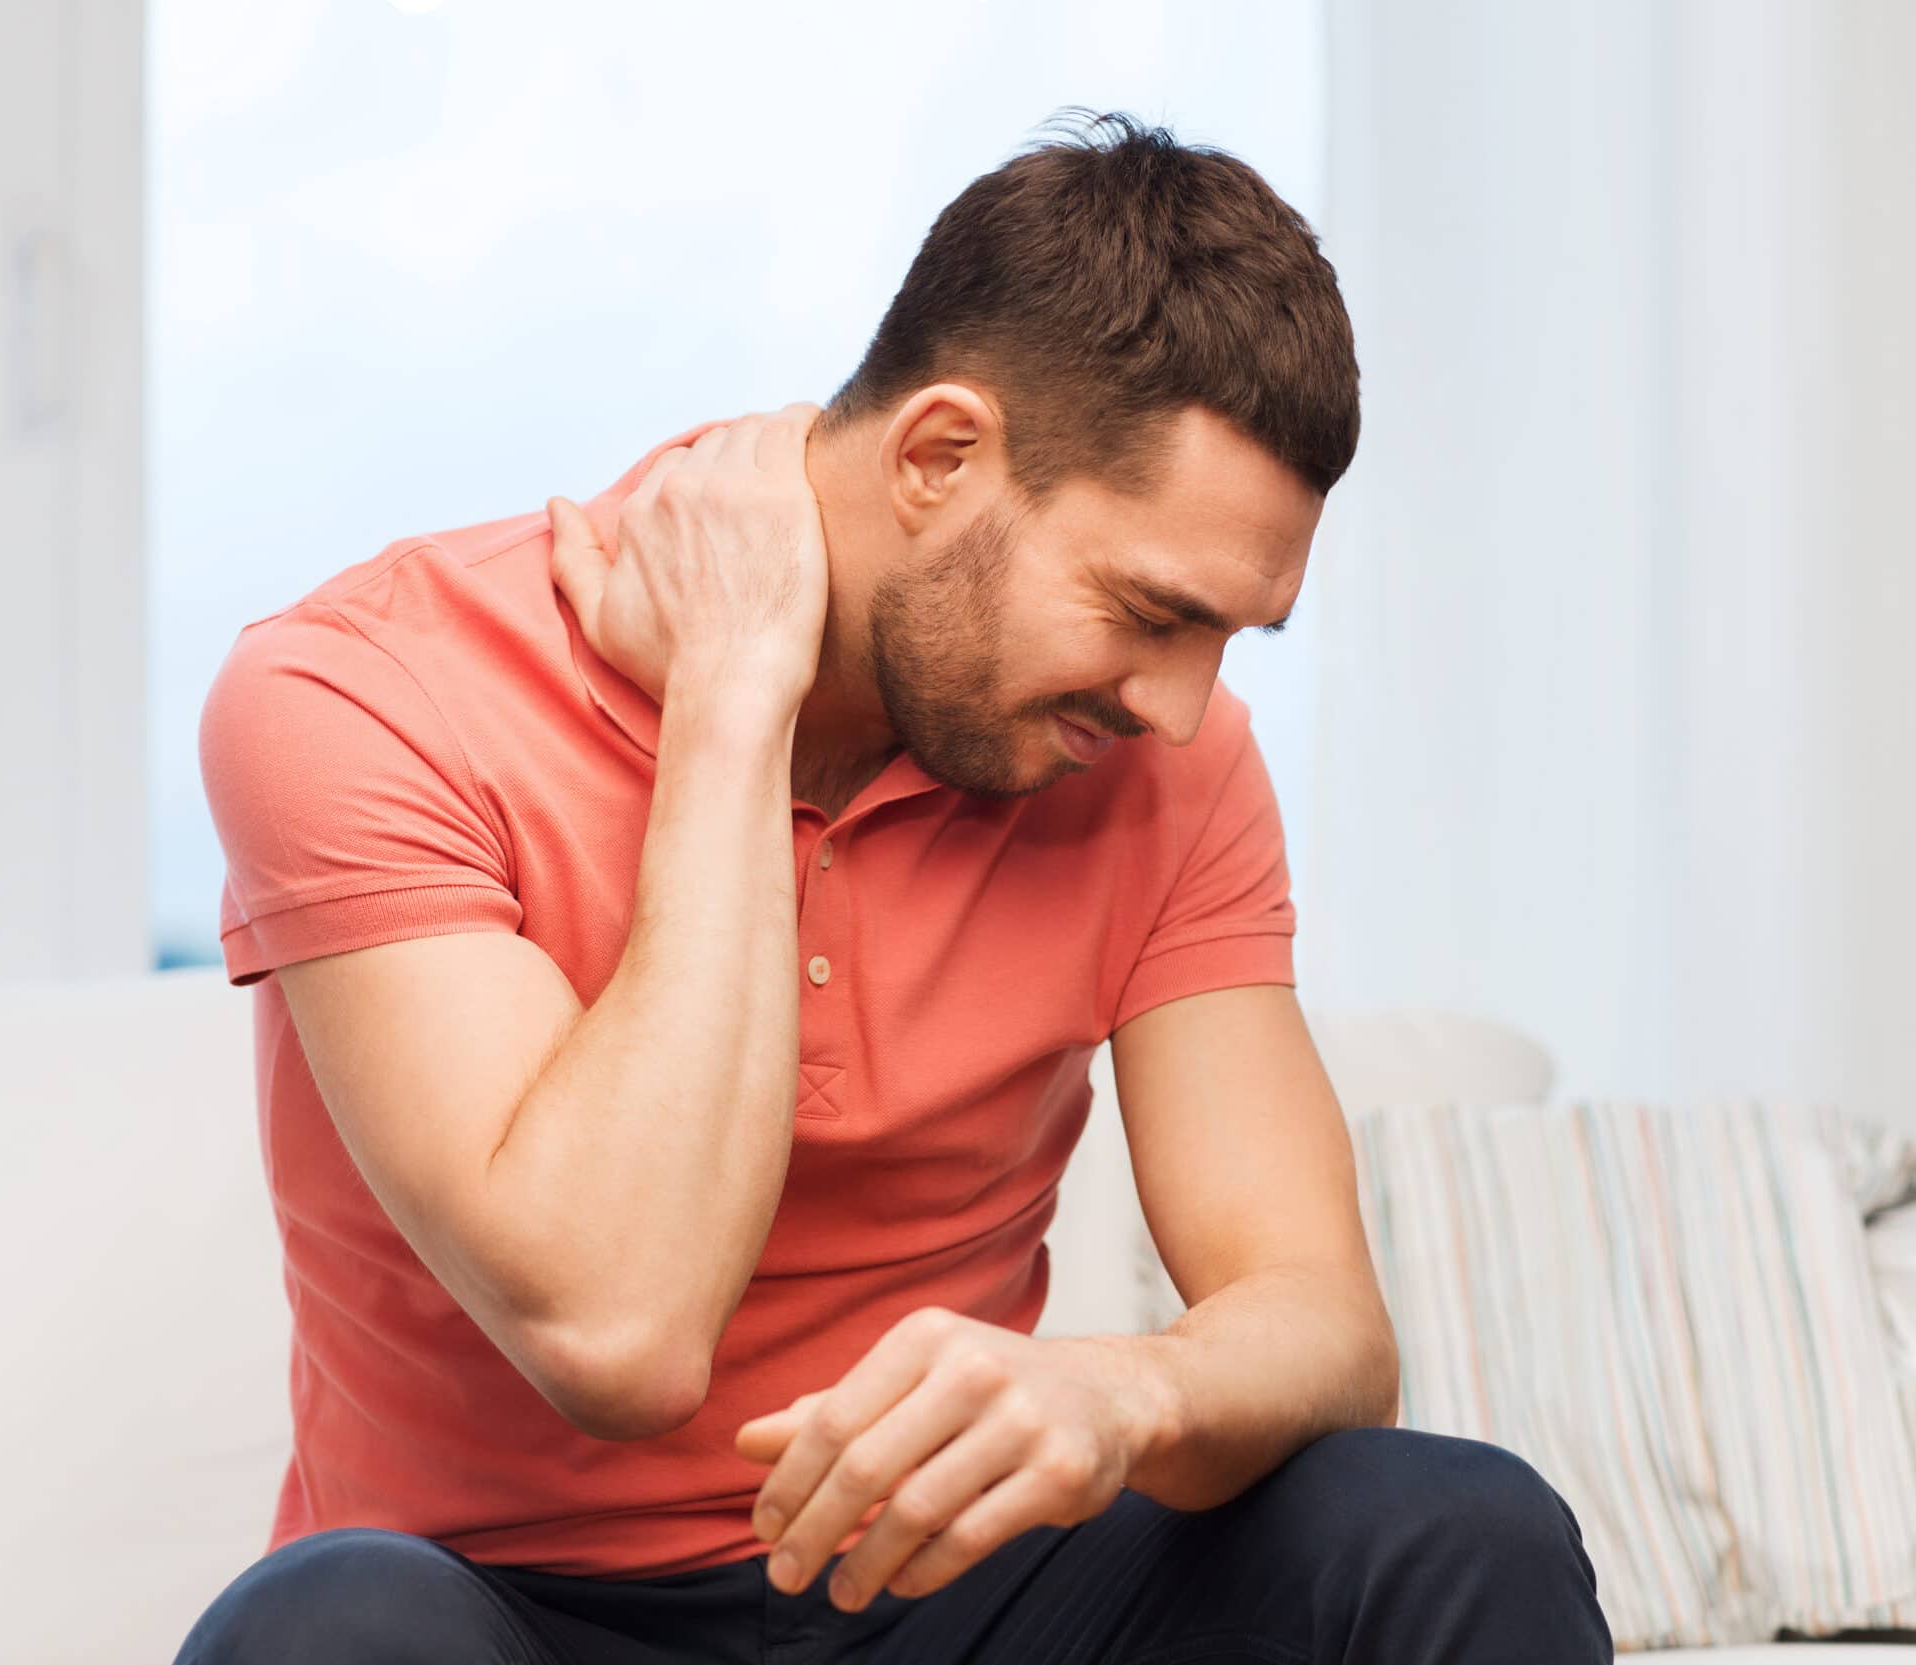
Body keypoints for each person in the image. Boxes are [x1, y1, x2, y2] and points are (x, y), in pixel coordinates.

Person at [173, 108, 1610, 1664]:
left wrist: (1132, 1388)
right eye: (1148, 611)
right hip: (502, 1610)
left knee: (1454, 1524)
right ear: (938, 454)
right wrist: (734, 699)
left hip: (944, 1594)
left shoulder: (1161, 763)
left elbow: (1326, 1325)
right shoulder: (358, 694)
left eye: (1230, 640)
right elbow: (618, 1330)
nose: (1179, 708)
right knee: (328, 1636)